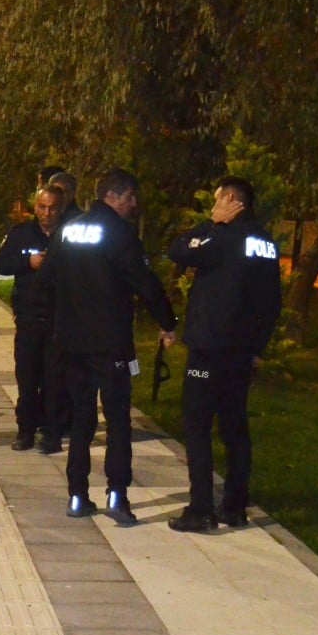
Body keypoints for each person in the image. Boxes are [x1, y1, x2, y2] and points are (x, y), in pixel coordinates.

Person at [37, 168, 177, 525]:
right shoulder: (119, 233)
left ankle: (77, 495)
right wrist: (168, 322)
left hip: (71, 342)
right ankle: (117, 494)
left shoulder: (68, 229)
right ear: (113, 196)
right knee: (117, 421)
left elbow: (47, 279)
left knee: (82, 418)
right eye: (131, 197)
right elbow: (144, 282)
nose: (134, 204)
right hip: (110, 343)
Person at [166, 176, 282, 532]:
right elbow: (272, 302)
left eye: (217, 202)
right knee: (235, 427)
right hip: (241, 353)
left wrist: (212, 224)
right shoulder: (265, 243)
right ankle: (234, 506)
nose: (213, 208)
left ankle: (201, 508)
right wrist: (256, 347)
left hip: (209, 349)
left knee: (198, 426)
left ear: (231, 203)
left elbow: (179, 250)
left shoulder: (221, 236)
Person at [0, 184, 67, 453]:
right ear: (35, 207)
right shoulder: (21, 233)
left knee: (54, 381)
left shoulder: (69, 235)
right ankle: (25, 431)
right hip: (28, 318)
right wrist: (28, 263)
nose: (46, 213)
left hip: (59, 320)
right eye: (42, 207)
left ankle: (51, 434)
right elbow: (0, 263)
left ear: (61, 208)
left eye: (52, 208)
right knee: (27, 379)